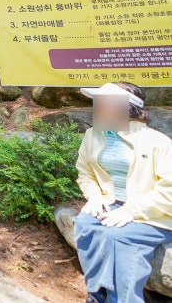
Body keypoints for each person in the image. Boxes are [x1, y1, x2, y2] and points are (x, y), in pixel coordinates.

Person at [73, 82, 172, 303]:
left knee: (119, 237)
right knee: (84, 224)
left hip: (156, 213)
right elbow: (84, 171)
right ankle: (97, 293)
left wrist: (132, 211)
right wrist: (95, 196)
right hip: (111, 203)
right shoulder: (93, 135)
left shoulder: (158, 142)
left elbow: (169, 190)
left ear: (128, 108)